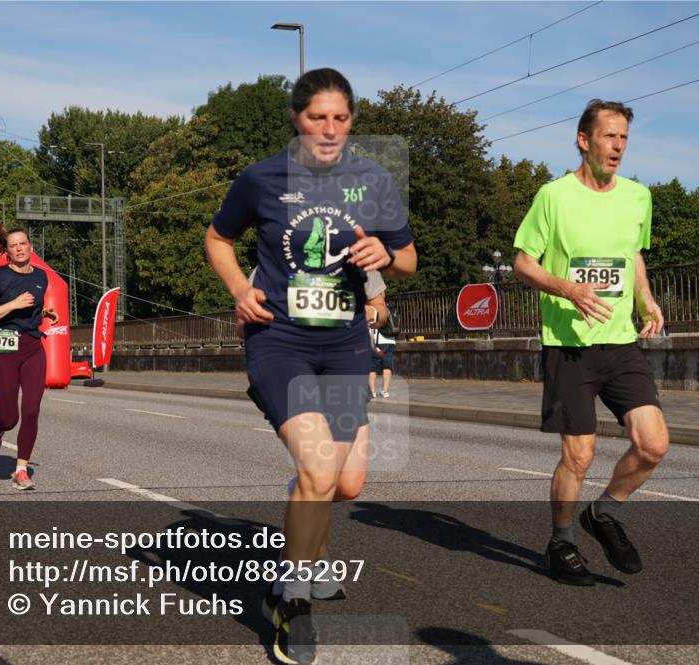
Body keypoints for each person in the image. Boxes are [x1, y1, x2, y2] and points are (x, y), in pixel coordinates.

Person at [205, 68, 416, 665]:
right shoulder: (262, 178)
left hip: (346, 347)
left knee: (344, 482)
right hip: (279, 343)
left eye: (341, 118)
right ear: (296, 118)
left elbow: (408, 259)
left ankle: (305, 544)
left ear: (352, 121)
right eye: (316, 117)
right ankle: (289, 604)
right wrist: (236, 291)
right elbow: (218, 239)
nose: (329, 130)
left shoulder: (373, 179)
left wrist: (389, 258)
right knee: (321, 470)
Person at [512, 99, 669, 587]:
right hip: (569, 346)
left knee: (653, 443)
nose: (618, 146)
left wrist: (646, 300)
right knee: (578, 456)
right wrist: (570, 289)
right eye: (609, 136)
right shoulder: (553, 197)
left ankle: (602, 514)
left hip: (620, 343)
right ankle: (561, 542)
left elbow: (633, 256)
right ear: (584, 140)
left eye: (624, 137)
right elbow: (523, 263)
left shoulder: (638, 197)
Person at [0, 224, 58, 491]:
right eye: (14, 245)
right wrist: (12, 304)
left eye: (23, 243)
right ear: (8, 252)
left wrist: (45, 313)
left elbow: (31, 309)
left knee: (32, 410)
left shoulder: (42, 277)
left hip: (33, 346)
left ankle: (21, 469)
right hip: (3, 349)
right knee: (10, 417)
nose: (19, 248)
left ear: (30, 247)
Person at [366, 271, 397, 399]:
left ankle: (372, 390)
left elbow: (372, 324)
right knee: (387, 365)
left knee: (372, 366)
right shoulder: (390, 309)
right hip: (391, 340)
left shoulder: (375, 308)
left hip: (378, 340)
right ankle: (385, 391)